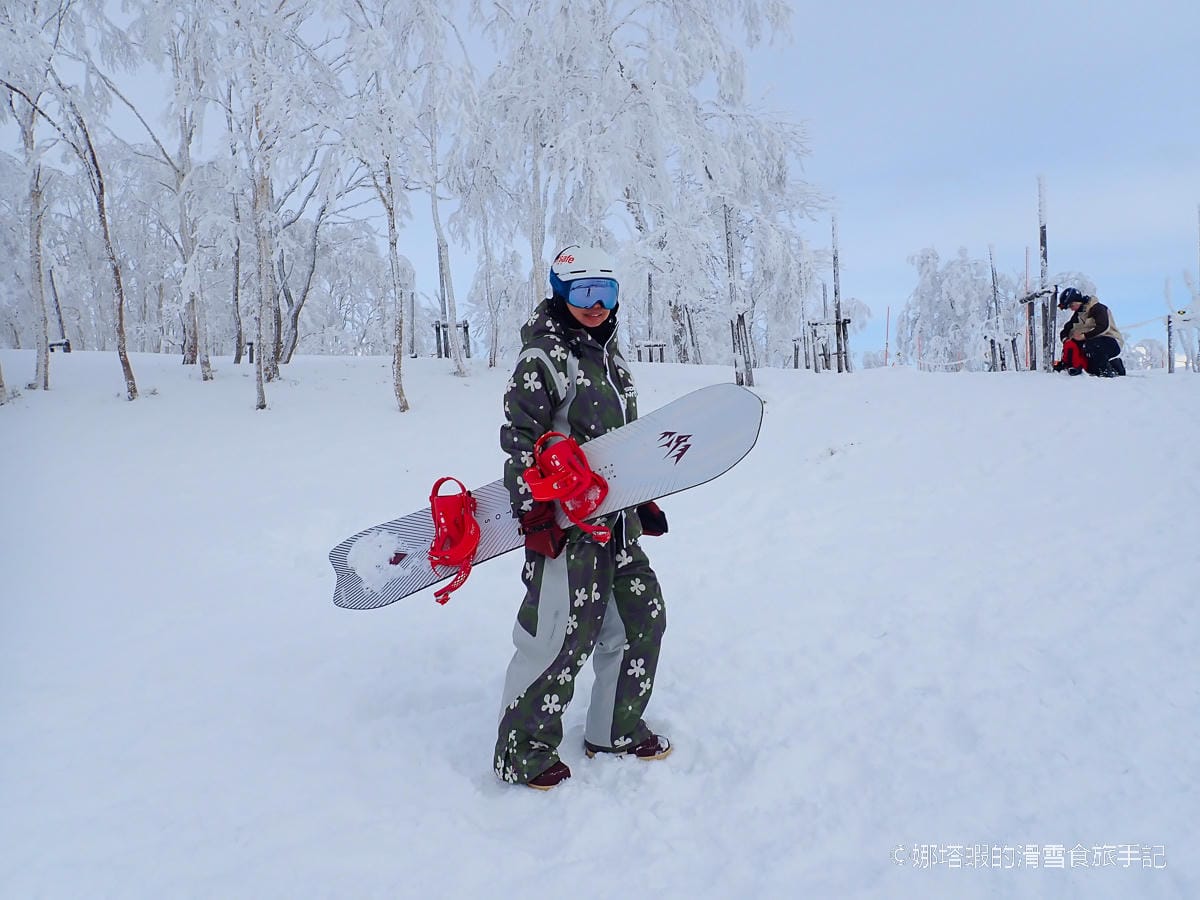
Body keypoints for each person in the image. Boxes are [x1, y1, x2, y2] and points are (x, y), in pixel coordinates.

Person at [493, 244, 672, 790]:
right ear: (561, 293)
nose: (596, 305)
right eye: (583, 293)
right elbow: (520, 441)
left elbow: (623, 446)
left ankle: (612, 730)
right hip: (565, 530)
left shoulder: (613, 361)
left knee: (642, 618)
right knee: (557, 639)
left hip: (617, 524)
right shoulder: (543, 358)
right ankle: (521, 752)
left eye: (606, 294)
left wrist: (641, 496)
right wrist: (535, 517)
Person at [1053, 287, 1126, 377]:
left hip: (1112, 341)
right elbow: (1065, 330)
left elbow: (1103, 327)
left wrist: (1084, 336)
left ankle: (1106, 372)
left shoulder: (1098, 308)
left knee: (1091, 345)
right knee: (1090, 366)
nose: (1071, 309)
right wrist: (1066, 340)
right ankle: (1114, 366)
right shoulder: (1078, 315)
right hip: (1091, 345)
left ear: (1077, 301)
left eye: (1071, 306)